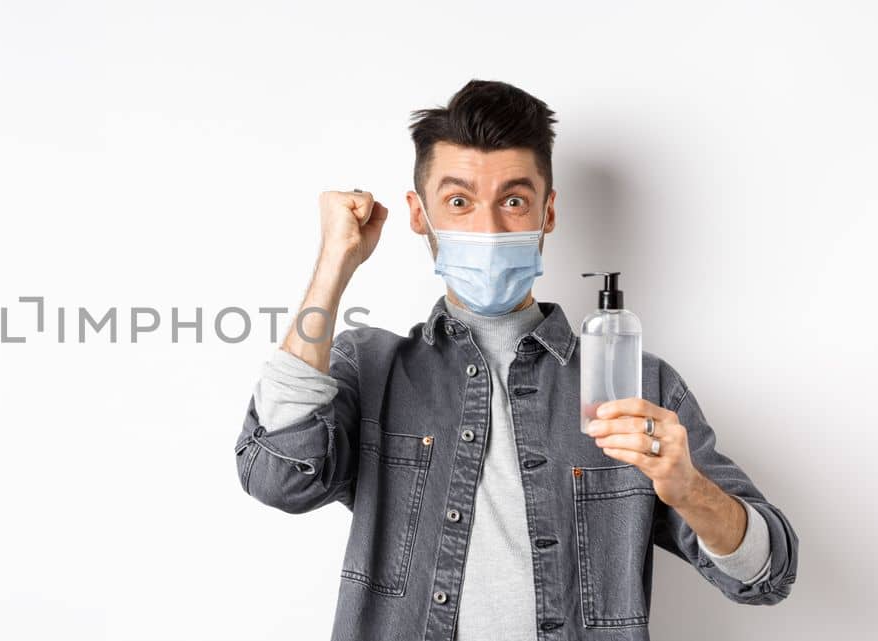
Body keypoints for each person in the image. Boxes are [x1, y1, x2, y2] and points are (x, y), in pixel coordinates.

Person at [231, 79, 799, 641]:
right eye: (458, 202)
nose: (489, 228)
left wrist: (690, 489)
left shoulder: (637, 383)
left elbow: (767, 574)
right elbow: (279, 476)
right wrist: (335, 262)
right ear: (417, 213)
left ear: (547, 212)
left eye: (513, 201)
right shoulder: (370, 367)